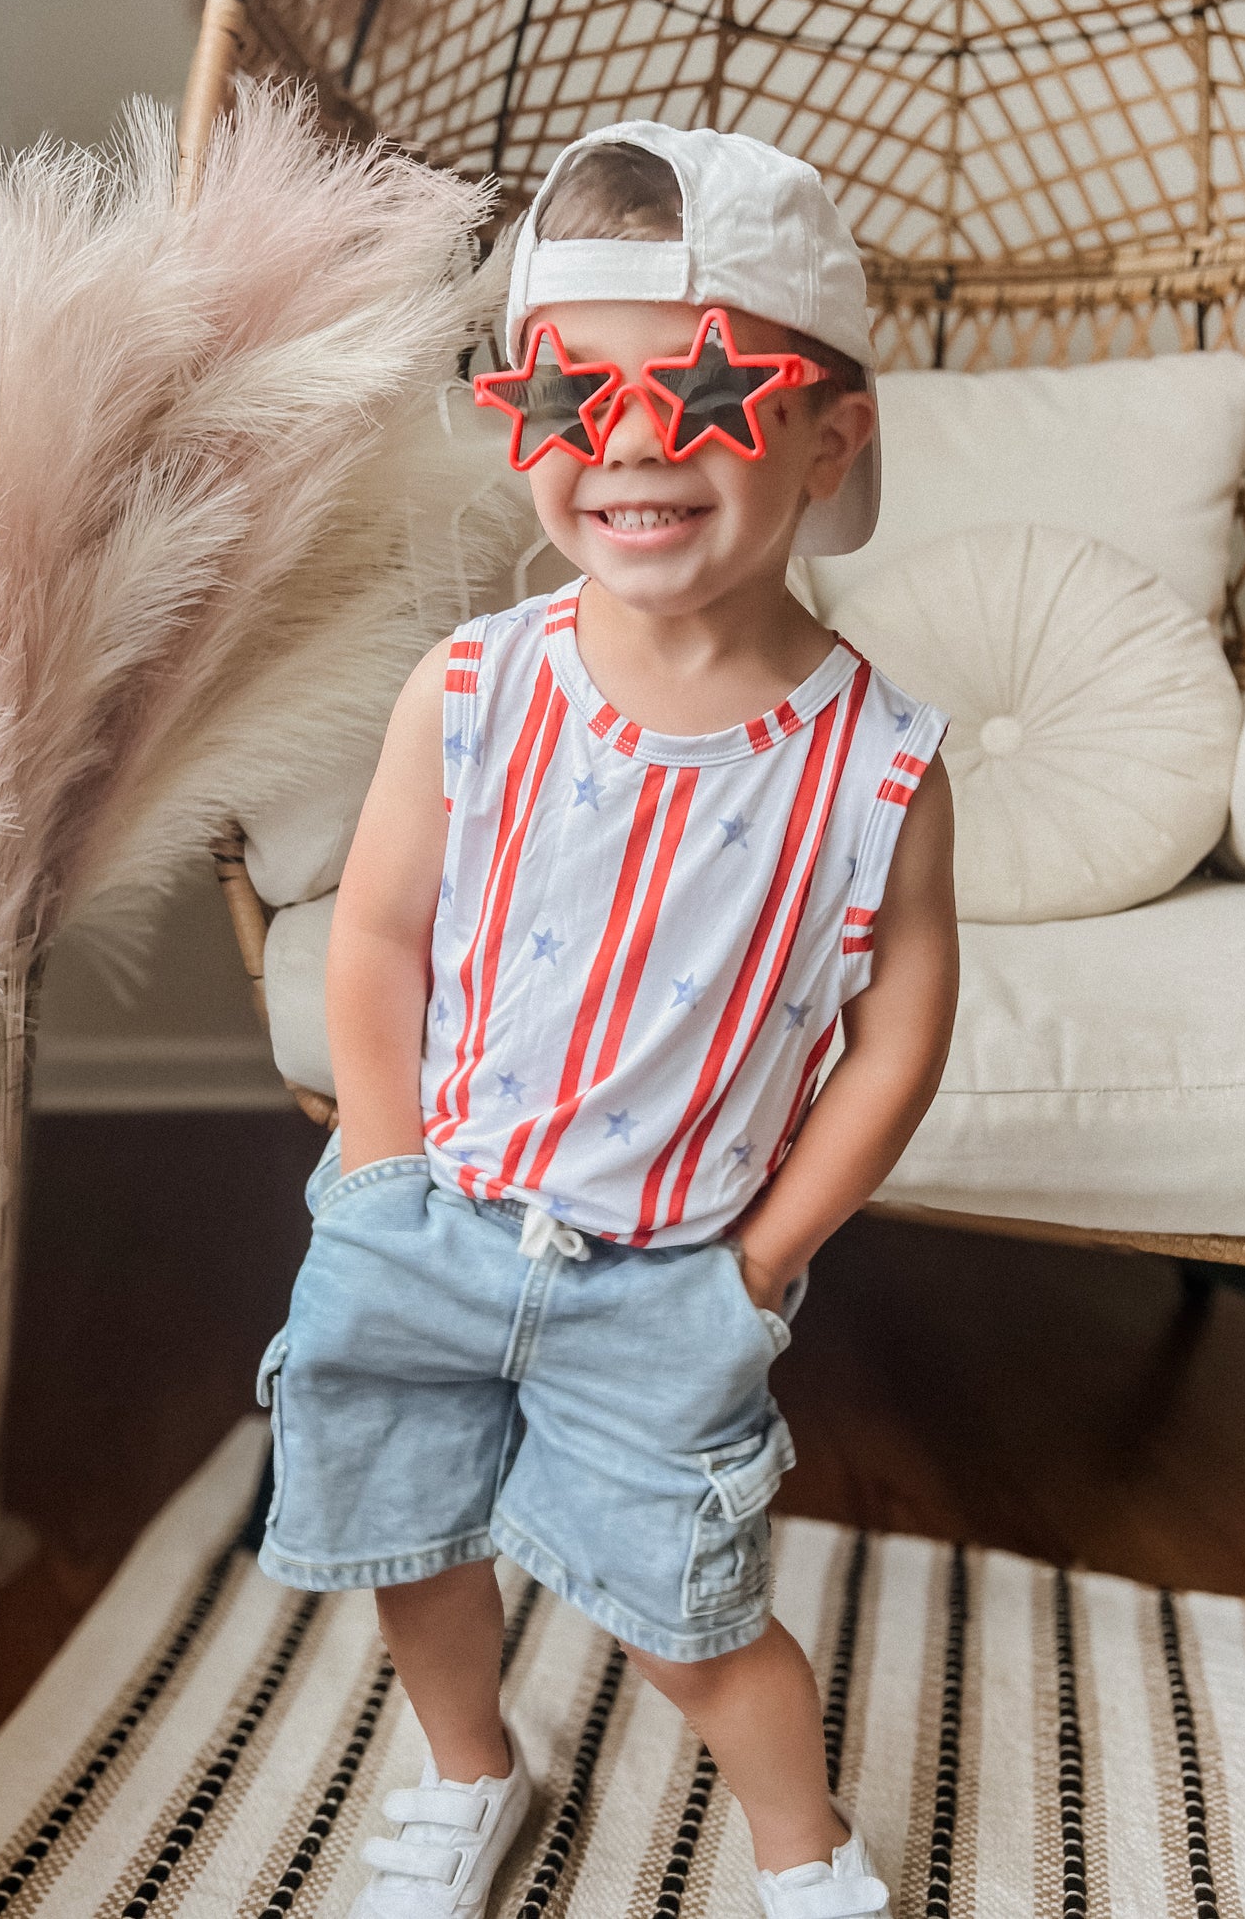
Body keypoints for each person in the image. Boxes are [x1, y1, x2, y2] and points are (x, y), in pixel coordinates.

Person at [254, 118, 959, 1919]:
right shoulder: (474, 688)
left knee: (690, 1617)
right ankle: (470, 1769)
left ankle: (802, 1859)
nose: (635, 443)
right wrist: (379, 1154)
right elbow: (381, 931)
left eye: (707, 395)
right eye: (580, 396)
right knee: (413, 1537)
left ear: (828, 433)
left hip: (671, 1277)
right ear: (526, 421)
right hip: (426, 1215)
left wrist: (762, 1259)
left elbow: (896, 1033)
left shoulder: (876, 761)